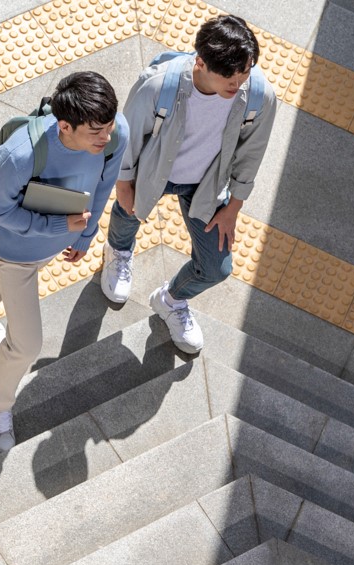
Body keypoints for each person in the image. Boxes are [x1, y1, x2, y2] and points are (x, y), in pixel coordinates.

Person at [0, 71, 129, 452]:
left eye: (110, 125)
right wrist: (54, 225)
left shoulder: (115, 133)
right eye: (96, 131)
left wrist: (85, 234)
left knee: (3, 282)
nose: (108, 136)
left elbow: (103, 184)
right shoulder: (19, 156)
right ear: (65, 126)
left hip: (57, 241)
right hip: (17, 252)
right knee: (27, 344)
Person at [101, 14, 275, 354]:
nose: (238, 84)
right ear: (200, 62)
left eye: (246, 72)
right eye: (229, 75)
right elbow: (128, 136)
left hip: (207, 184)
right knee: (128, 215)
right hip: (153, 173)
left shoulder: (258, 95)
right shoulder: (158, 86)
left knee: (216, 267)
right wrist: (124, 183)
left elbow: (251, 154)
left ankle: (171, 300)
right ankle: (118, 251)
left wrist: (234, 207)